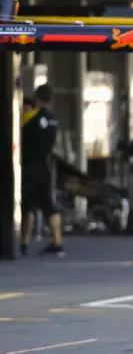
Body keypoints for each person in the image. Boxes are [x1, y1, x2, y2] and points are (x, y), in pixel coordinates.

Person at [20, 84, 64, 257]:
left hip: (30, 165)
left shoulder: (31, 116)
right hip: (45, 164)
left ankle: (24, 242)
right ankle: (57, 241)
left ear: (36, 97)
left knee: (28, 205)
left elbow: (19, 129)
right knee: (47, 204)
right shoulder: (53, 119)